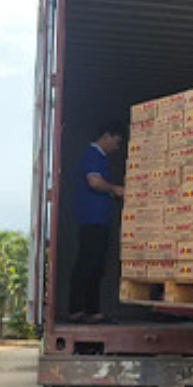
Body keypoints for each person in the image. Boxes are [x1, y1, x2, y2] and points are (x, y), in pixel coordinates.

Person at [68, 122, 125, 322]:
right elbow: (94, 182)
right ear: (106, 136)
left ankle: (91, 309)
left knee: (97, 265)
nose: (116, 147)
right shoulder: (92, 154)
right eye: (116, 142)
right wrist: (115, 189)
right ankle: (78, 309)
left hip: (100, 219)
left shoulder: (101, 158)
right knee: (88, 263)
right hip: (92, 219)